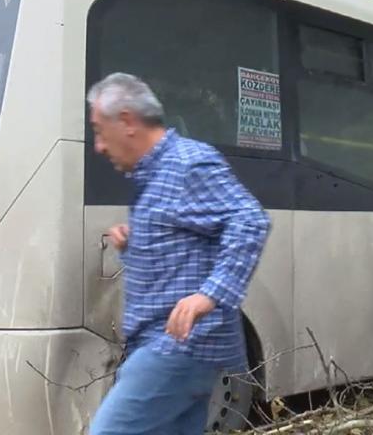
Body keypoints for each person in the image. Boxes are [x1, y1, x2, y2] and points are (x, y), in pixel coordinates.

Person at [87, 73, 270, 435]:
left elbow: (250, 221)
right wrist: (133, 247)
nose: (99, 146)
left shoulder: (188, 163)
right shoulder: (154, 176)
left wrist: (210, 295)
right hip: (172, 347)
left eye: (98, 129)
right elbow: (184, 249)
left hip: (176, 346)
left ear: (126, 121)